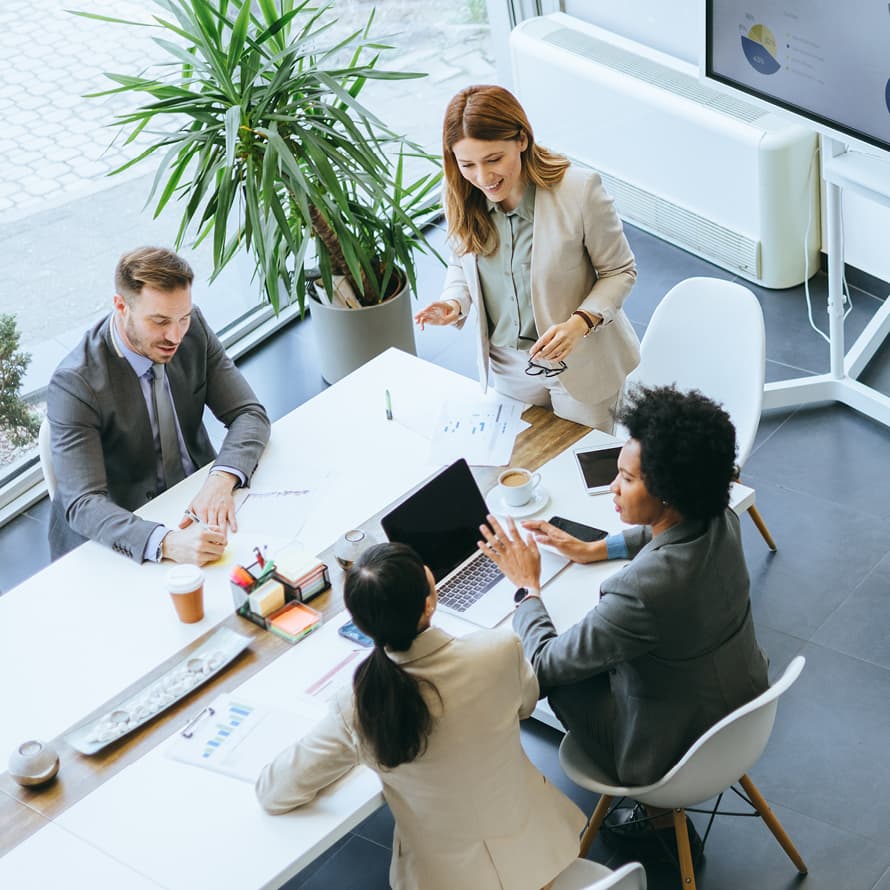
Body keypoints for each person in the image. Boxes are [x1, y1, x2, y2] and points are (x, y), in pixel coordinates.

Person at [478, 385, 769, 851]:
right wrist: (596, 548)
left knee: (549, 672)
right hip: (741, 707)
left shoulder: (641, 592)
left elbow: (546, 665)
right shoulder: (720, 516)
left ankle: (656, 820)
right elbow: (668, 536)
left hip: (667, 751)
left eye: (627, 479)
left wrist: (525, 587)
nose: (613, 487)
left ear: (670, 494)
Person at [256, 542, 585, 890]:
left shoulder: (358, 704)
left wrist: (360, 753)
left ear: (360, 624)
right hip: (540, 852)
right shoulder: (498, 649)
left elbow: (275, 793)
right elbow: (525, 704)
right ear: (429, 603)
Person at [415, 84, 640, 432]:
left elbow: (620, 270)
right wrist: (455, 302)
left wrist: (579, 323)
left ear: (522, 139)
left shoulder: (580, 191)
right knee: (525, 459)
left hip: (579, 361)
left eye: (493, 159)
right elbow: (462, 261)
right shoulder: (459, 193)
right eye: (467, 164)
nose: (483, 177)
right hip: (507, 365)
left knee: (583, 467)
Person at [47, 247, 271, 565]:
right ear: (121, 306)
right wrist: (166, 543)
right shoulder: (75, 383)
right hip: (121, 533)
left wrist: (220, 479)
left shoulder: (192, 329)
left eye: (183, 317)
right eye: (159, 321)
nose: (175, 335)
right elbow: (83, 503)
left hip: (196, 501)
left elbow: (249, 413)